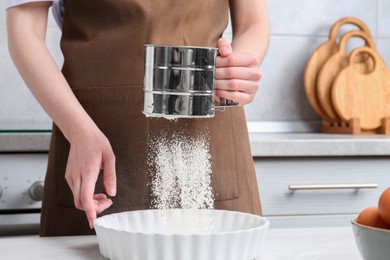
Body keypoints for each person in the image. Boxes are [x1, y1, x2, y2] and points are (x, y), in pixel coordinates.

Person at [6, 0, 270, 236]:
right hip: (93, 135)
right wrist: (78, 131)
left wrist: (238, 68)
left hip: (207, 137)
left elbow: (253, 22)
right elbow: (24, 26)